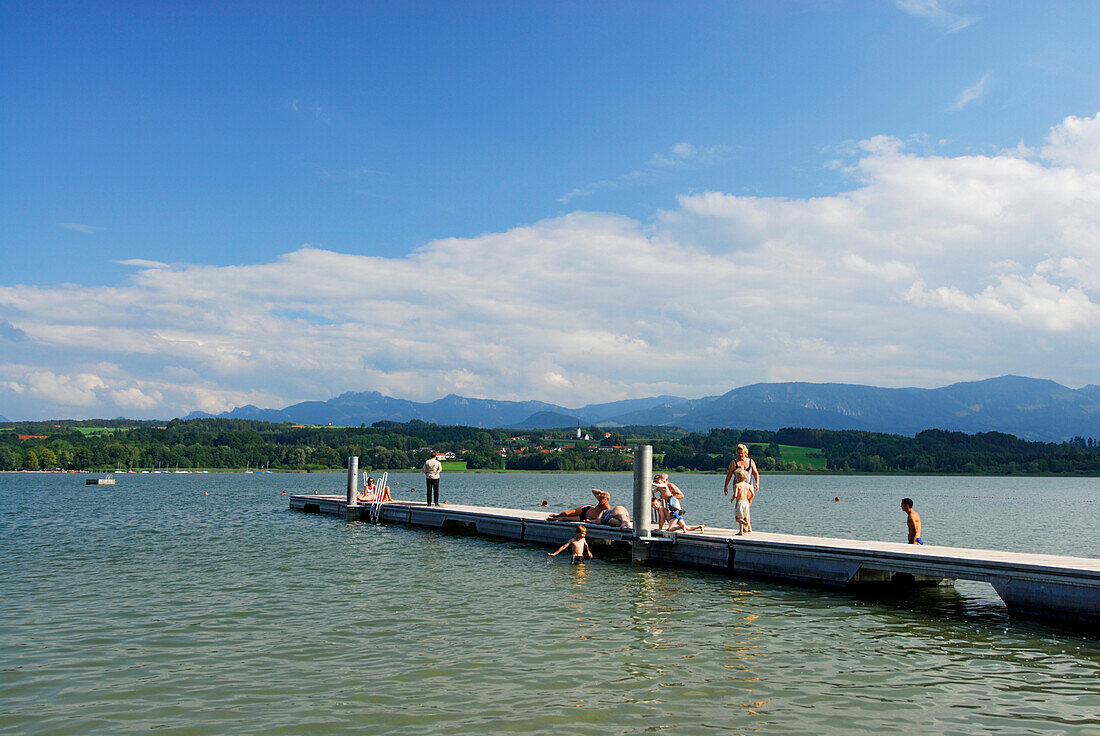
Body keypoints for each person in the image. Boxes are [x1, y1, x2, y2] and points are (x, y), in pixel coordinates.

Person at [546, 489, 611, 522]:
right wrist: (601, 492)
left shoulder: (607, 507)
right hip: (586, 509)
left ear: (605, 499)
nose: (599, 499)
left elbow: (603, 518)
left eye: (601, 498)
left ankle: (555, 518)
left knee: (565, 519)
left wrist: (591, 521)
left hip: (585, 518)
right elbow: (593, 491)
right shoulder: (601, 500)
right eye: (599, 498)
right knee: (566, 513)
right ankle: (557, 515)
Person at [731, 468, 755, 535]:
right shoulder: (748, 485)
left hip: (740, 502)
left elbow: (735, 495)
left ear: (738, 477)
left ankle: (746, 524)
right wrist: (750, 498)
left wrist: (732, 499)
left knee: (738, 518)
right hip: (746, 502)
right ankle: (741, 531)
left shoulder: (737, 485)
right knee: (744, 516)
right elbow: (753, 493)